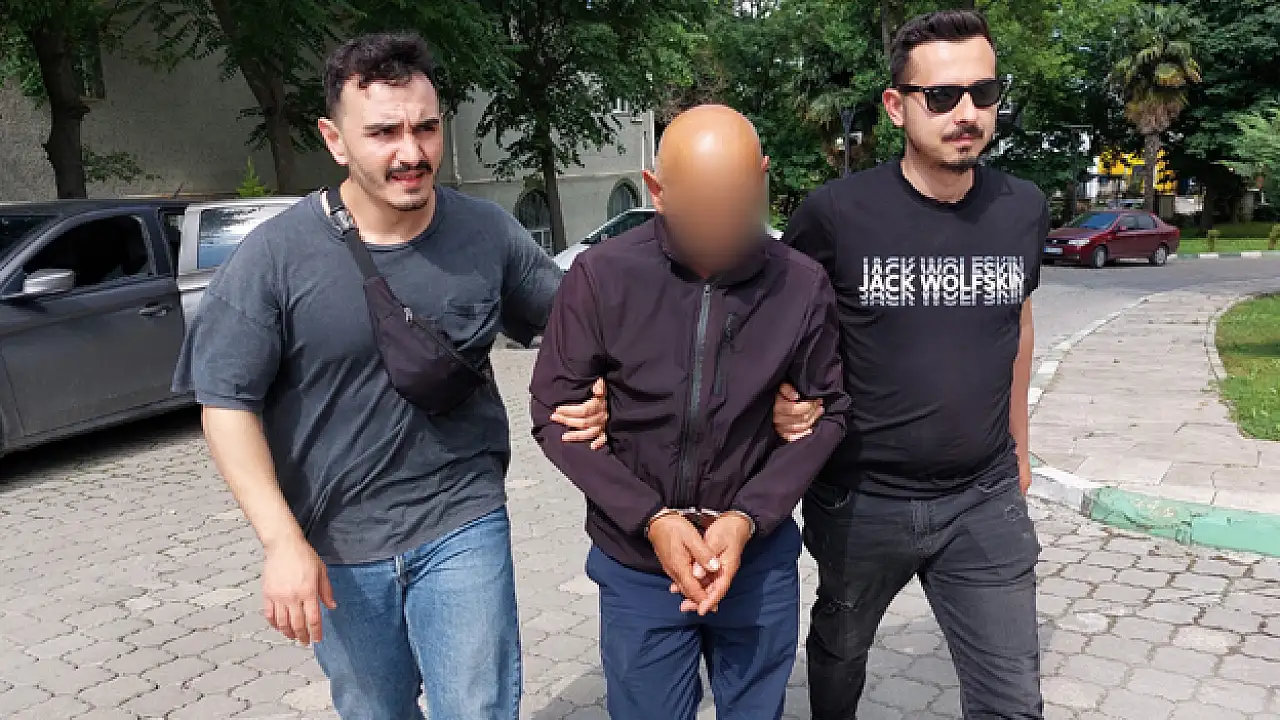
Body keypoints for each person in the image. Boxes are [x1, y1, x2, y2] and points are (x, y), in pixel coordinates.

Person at [172, 32, 605, 720]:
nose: (411, 152)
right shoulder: (274, 258)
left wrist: (596, 390)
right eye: (383, 133)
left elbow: (576, 328)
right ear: (335, 140)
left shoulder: (485, 233)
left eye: (426, 128)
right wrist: (281, 542)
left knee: (477, 708)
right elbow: (227, 404)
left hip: (462, 518)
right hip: (336, 542)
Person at [529, 105, 850, 720]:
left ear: (762, 177)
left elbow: (829, 412)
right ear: (658, 190)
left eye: (740, 203)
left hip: (754, 560)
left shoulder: (800, 284)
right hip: (638, 565)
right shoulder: (602, 275)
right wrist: (649, 518)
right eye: (704, 207)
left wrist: (749, 517)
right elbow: (554, 414)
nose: (725, 227)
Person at [774, 10, 1048, 719]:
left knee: (1014, 701)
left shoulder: (1022, 207)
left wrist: (1019, 447)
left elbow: (1017, 323)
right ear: (897, 106)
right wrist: (784, 399)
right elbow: (779, 325)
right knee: (841, 650)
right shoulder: (835, 214)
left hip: (983, 497)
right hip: (861, 498)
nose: (967, 113)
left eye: (983, 93)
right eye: (943, 96)